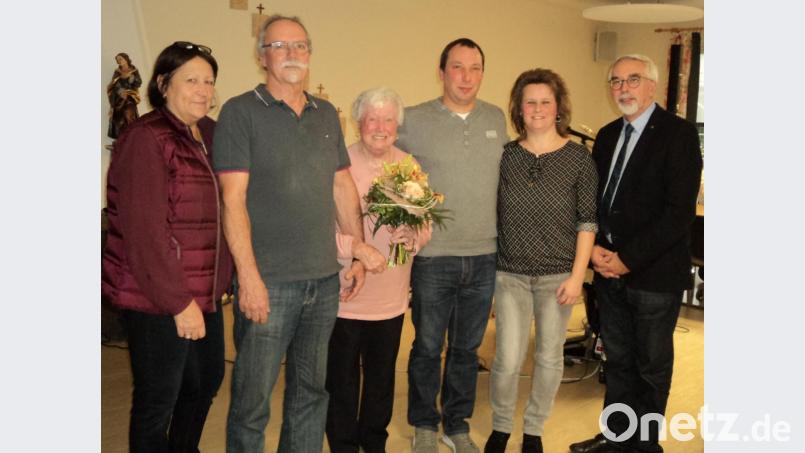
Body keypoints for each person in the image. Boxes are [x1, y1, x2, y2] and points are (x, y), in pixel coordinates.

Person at [213, 15, 386, 453]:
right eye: (280, 46)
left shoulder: (325, 113)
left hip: (323, 283)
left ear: (310, 53)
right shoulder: (239, 112)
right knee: (252, 404)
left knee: (311, 396)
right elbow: (233, 200)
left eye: (300, 45)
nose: (292, 54)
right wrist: (249, 278)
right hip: (269, 284)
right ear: (261, 56)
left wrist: (357, 253)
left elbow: (341, 186)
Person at [101, 41, 233, 452]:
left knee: (205, 382)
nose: (203, 90)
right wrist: (178, 302)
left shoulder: (210, 133)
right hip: (157, 295)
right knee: (159, 396)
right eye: (191, 80)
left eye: (209, 81)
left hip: (204, 292)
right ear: (162, 84)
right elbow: (144, 234)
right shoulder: (146, 138)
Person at [568, 54, 702, 453]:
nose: (622, 88)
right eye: (616, 81)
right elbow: (593, 201)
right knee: (618, 362)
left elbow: (677, 214)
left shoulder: (678, 135)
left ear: (653, 86)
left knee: (651, 368)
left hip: (654, 276)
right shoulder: (608, 135)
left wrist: (626, 259)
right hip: (607, 272)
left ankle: (644, 446)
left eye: (633, 79)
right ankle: (615, 437)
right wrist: (595, 251)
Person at [397, 37, 508, 453]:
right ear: (441, 72)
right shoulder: (413, 119)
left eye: (475, 68)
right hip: (433, 257)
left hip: (484, 255)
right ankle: (424, 423)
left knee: (466, 349)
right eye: (458, 67)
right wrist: (408, 220)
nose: (466, 76)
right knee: (427, 347)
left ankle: (456, 424)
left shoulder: (495, 117)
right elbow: (389, 175)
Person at [484, 69, 598, 453]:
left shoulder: (579, 158)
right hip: (509, 274)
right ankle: (501, 426)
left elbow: (587, 221)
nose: (537, 109)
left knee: (549, 357)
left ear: (558, 107)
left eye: (545, 102)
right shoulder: (506, 156)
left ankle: (533, 429)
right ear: (519, 108)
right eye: (529, 102)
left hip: (558, 276)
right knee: (507, 358)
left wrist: (578, 276)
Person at [325, 87, 432, 453]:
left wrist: (413, 236)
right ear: (359, 123)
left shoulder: (409, 166)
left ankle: (374, 443)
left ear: (397, 126)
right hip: (346, 294)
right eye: (373, 119)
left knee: (381, 380)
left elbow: (426, 223)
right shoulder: (339, 164)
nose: (381, 127)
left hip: (390, 297)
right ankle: (342, 446)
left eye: (388, 120)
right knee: (341, 381)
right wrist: (351, 250)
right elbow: (320, 230)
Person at [107, 52, 142, 139]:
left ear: (126, 59)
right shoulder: (117, 72)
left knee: (129, 115)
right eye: (117, 60)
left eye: (120, 59)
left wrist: (132, 78)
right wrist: (120, 91)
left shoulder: (134, 70)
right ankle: (121, 138)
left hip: (130, 97)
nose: (119, 61)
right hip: (119, 99)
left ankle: (132, 136)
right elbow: (114, 84)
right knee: (119, 118)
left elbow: (138, 83)